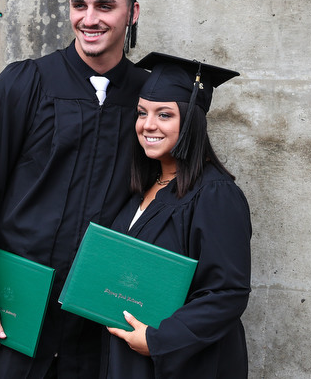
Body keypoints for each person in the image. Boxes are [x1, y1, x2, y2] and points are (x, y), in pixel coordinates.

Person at [0, 0, 163, 378]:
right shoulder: (27, 84)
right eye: (79, 4)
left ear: (132, 13)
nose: (88, 19)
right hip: (19, 311)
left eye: (105, 6)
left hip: (101, 318)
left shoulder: (149, 99)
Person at [102, 52, 252, 378]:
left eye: (164, 115)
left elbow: (227, 292)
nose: (148, 125)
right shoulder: (142, 188)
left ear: (191, 120)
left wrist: (159, 340)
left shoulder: (215, 194)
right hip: (130, 358)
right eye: (142, 113)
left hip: (182, 363)